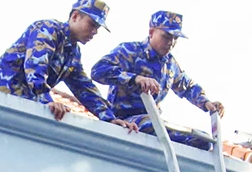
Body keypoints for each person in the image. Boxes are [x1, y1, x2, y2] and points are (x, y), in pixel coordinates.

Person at [0, 0, 137, 129]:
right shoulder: (47, 29)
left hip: (27, 107)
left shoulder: (73, 52)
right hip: (3, 100)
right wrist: (46, 101)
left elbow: (83, 87)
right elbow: (35, 68)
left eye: (97, 28)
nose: (94, 32)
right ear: (75, 16)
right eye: (92, 24)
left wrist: (110, 118)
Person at [89, 11, 224, 149]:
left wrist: (206, 102)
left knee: (202, 139)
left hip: (154, 121)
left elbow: (187, 87)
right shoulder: (130, 51)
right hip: (124, 120)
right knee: (155, 126)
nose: (170, 43)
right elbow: (98, 70)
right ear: (151, 32)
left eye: (175, 39)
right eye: (166, 37)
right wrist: (135, 78)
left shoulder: (170, 64)